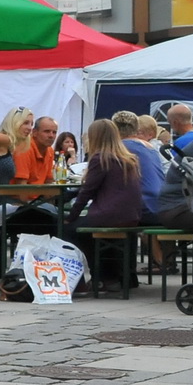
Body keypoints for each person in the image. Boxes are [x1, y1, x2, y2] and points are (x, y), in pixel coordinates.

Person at [63, 118, 144, 285]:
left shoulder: (100, 158)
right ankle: (124, 276)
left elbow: (87, 192)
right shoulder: (130, 158)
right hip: (131, 214)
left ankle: (99, 275)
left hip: (109, 214)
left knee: (69, 231)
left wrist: (71, 216)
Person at [112, 110, 166, 222]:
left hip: (143, 209)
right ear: (136, 128)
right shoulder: (151, 148)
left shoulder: (119, 149)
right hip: (162, 206)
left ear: (114, 129)